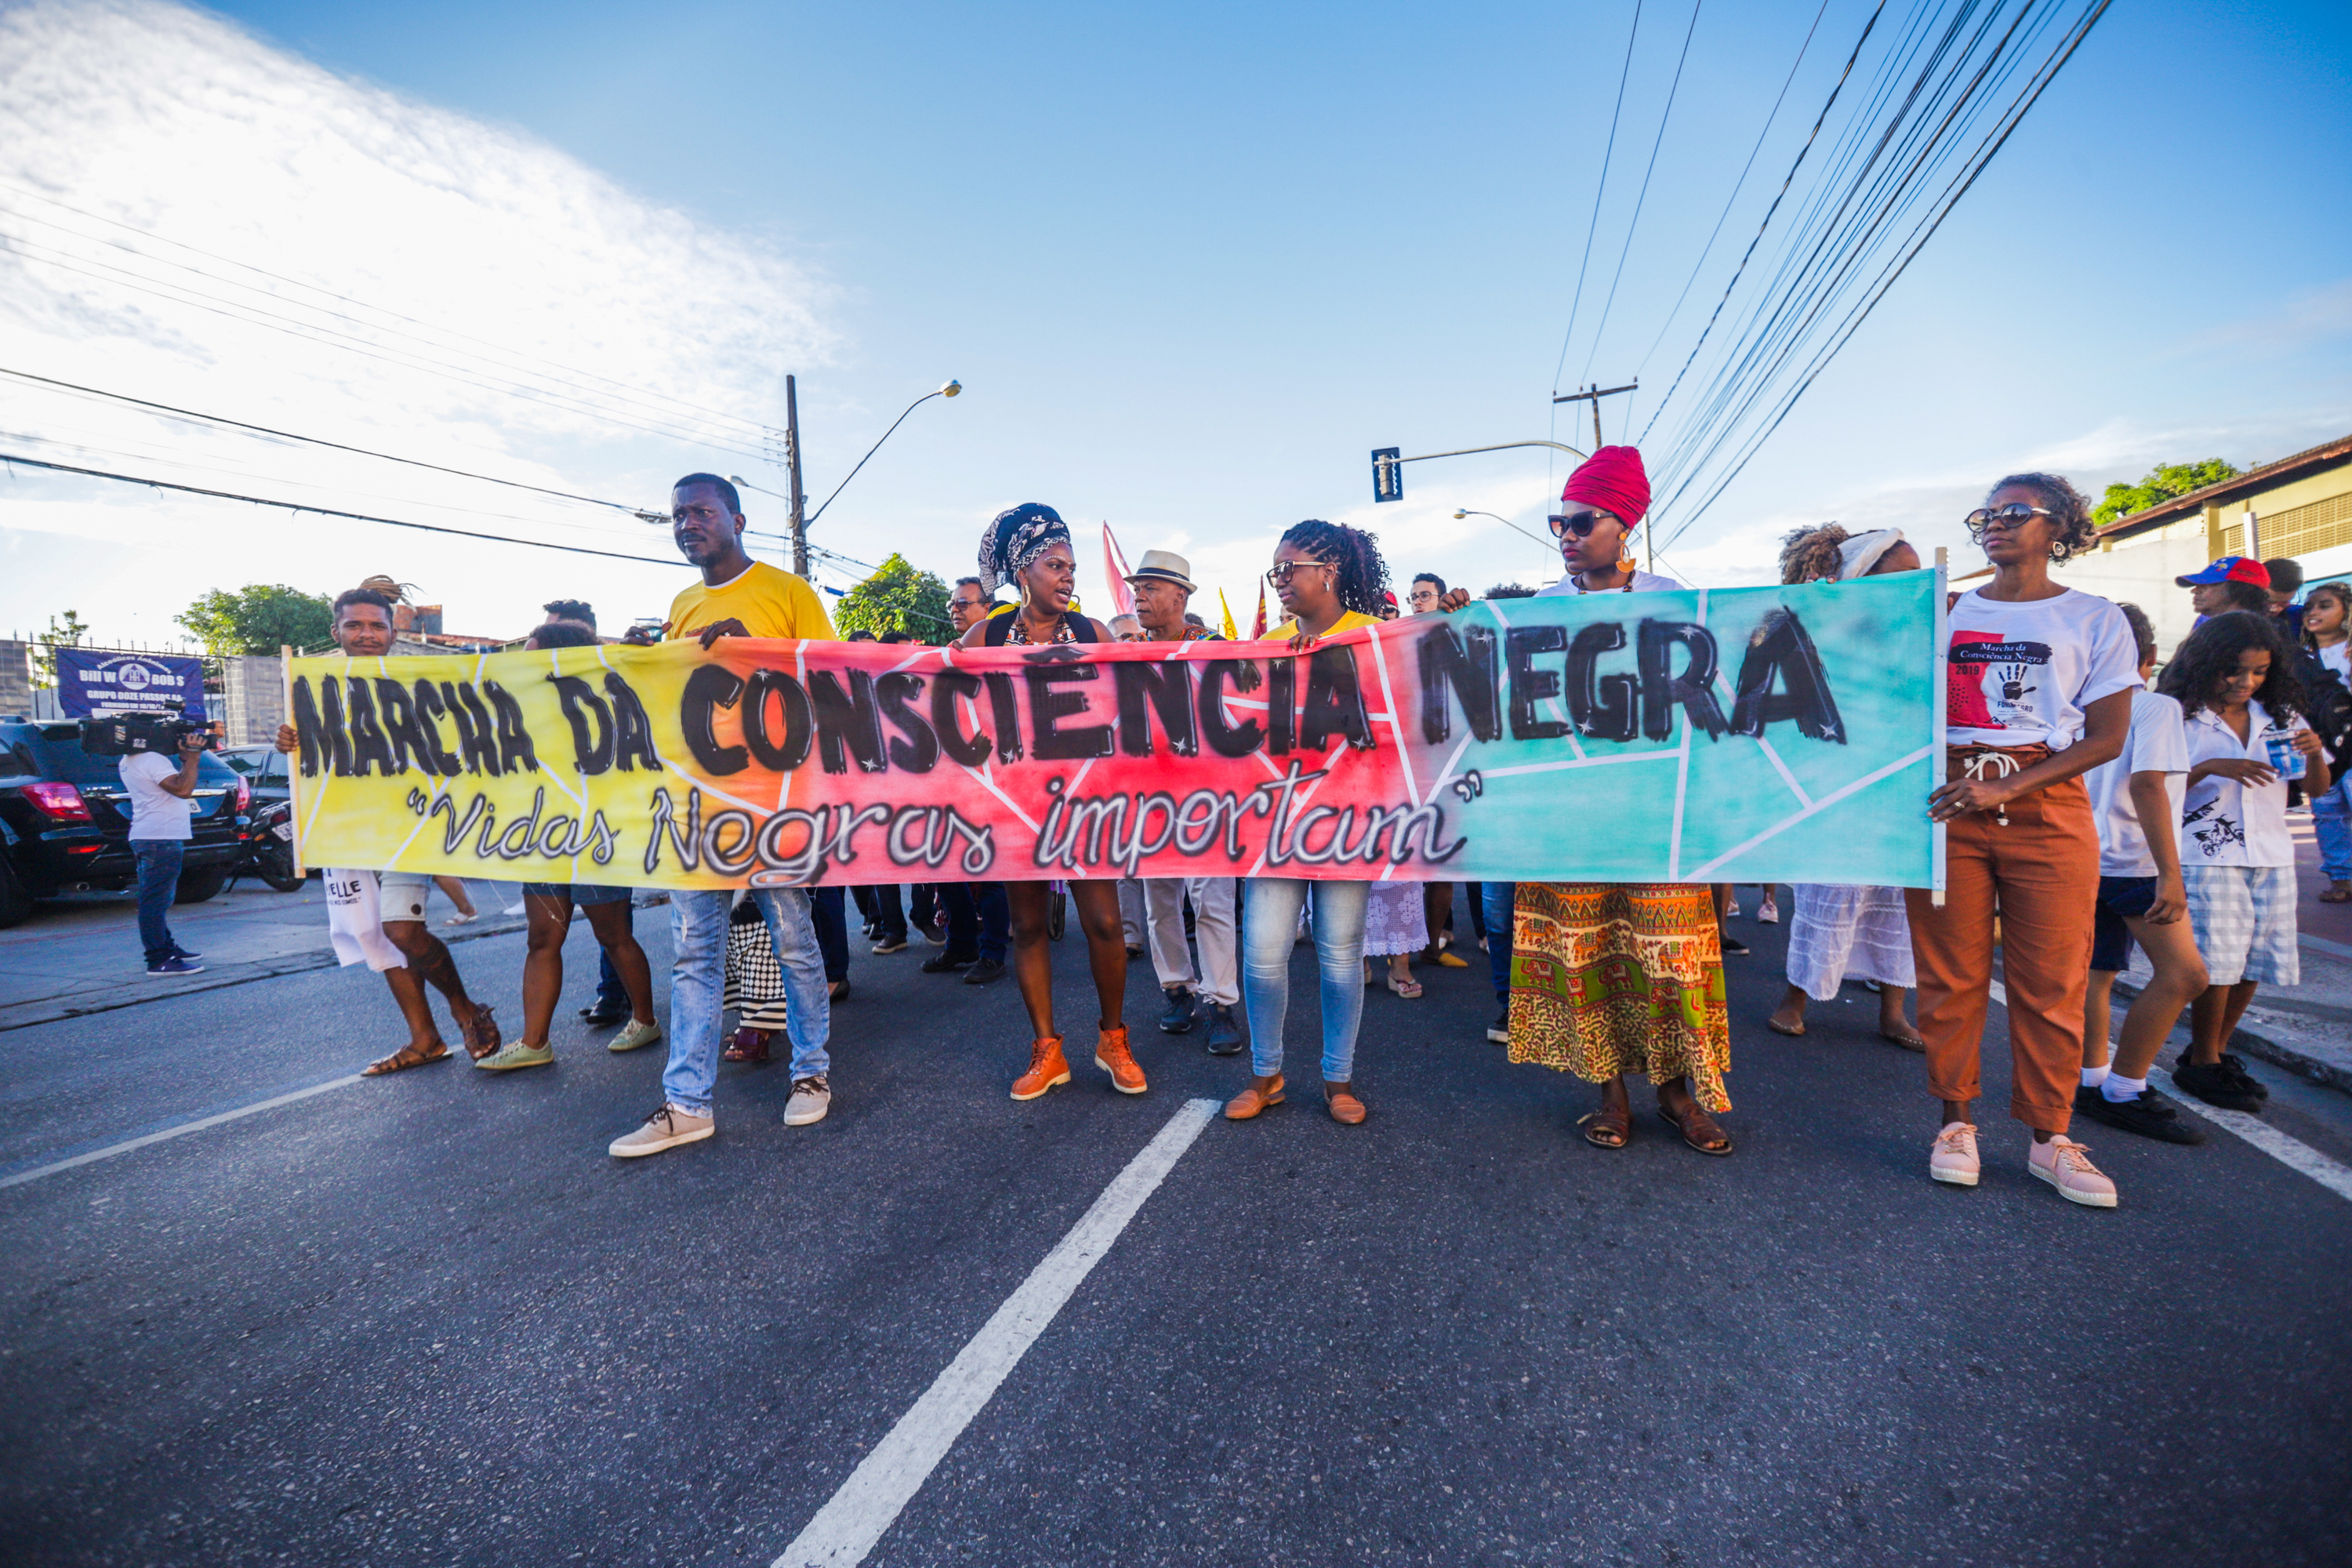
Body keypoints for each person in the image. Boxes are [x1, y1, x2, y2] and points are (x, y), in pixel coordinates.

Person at [1431, 448, 1733, 1154]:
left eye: (1580, 522)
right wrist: (1457, 628)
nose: (1565, 535)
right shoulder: (1541, 612)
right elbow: (1497, 703)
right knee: (1584, 954)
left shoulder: (1675, 601)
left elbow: (1711, 699)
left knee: (1668, 957)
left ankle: (1678, 1094)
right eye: (1557, 524)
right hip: (1566, 820)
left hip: (1656, 817)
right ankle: (1611, 1095)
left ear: (1624, 524)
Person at [1907, 474, 2136, 1208]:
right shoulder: (1944, 612)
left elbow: (2107, 738)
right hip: (1948, 799)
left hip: (2045, 801)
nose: (1994, 524)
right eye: (1987, 514)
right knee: (1951, 973)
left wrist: (2006, 787)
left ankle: (2049, 1139)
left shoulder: (2097, 619)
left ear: (2059, 527)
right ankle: (1956, 1125)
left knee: (2053, 979)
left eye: (2016, 513)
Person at [609, 474, 837, 1156]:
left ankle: (812, 1074)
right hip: (698, 810)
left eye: (701, 511)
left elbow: (830, 677)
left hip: (772, 800)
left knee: (792, 939)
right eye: (678, 515)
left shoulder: (788, 592)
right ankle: (686, 1104)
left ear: (737, 519)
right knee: (694, 954)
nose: (687, 524)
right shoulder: (680, 603)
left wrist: (749, 648)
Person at [957, 503, 1147, 1100]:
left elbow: (1134, 703)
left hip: (1085, 806)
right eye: (1055, 565)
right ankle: (1047, 1048)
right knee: (1029, 925)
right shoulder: (985, 636)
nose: (1068, 576)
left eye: (1072, 566)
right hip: (1016, 808)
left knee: (1105, 922)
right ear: (1022, 570)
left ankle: (1112, 1038)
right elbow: (936, 696)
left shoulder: (1091, 634)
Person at [274, 585, 502, 1075]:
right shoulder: (312, 683)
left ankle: (464, 1009)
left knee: (403, 929)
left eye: (377, 625)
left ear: (394, 631)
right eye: (354, 625)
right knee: (375, 937)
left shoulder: (419, 679)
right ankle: (424, 1040)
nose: (367, 634)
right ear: (335, 631)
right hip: (347, 832)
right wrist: (287, 742)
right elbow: (310, 761)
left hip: (409, 825)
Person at [1223, 520, 1391, 1127]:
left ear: (1330, 571)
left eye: (1289, 568)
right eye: (1275, 570)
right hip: (1276, 823)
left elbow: (1400, 725)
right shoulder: (1267, 643)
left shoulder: (1376, 639)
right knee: (1263, 952)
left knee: (1340, 955)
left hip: (1349, 825)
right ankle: (1266, 1076)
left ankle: (1337, 1079)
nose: (1281, 581)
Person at [2158, 611, 2332, 1113]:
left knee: (2256, 957)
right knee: (2217, 961)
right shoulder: (2177, 716)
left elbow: (2315, 790)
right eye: (2233, 670)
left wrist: (2316, 754)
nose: (2244, 682)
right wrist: (2212, 767)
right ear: (2205, 662)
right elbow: (2152, 787)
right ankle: (2205, 1060)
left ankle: (2213, 1050)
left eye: (2258, 671)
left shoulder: (2278, 714)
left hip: (2271, 853)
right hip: (2206, 853)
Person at [472, 619, 662, 1071]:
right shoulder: (521, 704)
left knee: (613, 935)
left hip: (595, 837)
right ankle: (535, 1042)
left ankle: (645, 1019)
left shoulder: (603, 700)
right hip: (542, 836)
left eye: (533, 653)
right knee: (541, 939)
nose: (525, 660)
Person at [1763, 524, 1926, 1049]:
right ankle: (1796, 998)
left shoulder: (1922, 636)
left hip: (1901, 792)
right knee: (1828, 898)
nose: (1913, 585)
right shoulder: (1823, 634)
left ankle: (1894, 1011)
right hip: (1837, 791)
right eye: (1899, 576)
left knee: (1897, 899)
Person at [2074, 602, 2207, 1145]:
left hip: (2085, 854)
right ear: (2148, 657)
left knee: (2097, 974)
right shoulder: (2154, 707)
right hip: (2135, 860)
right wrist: (2170, 874)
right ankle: (2126, 1089)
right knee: (2186, 975)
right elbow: (2149, 784)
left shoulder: (2075, 708)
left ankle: (2092, 1080)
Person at [1123, 550, 1243, 1054]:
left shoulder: (1217, 651)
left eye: (1151, 588)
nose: (1140, 596)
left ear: (1181, 596)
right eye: (1138, 587)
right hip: (1147, 797)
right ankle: (1176, 989)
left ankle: (1220, 1004)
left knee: (1211, 901)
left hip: (1206, 795)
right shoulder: (1125, 653)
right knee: (1160, 902)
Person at [121, 725, 207, 976]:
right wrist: (193, 756)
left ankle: (167, 949)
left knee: (157, 899)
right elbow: (183, 789)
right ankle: (158, 959)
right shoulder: (152, 759)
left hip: (150, 835)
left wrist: (184, 759)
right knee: (154, 902)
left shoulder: (129, 759)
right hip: (161, 837)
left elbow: (173, 784)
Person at [2302, 581, 2352, 902]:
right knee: (2327, 812)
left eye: (2325, 605)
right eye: (2309, 607)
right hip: (2321, 746)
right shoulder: (2299, 655)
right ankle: (2341, 878)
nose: (2314, 612)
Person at [2178, 557, 2271, 621]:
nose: (2194, 590)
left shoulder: (2249, 632)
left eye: (2210, 583)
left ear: (2239, 590)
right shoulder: (2205, 622)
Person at [2263, 557, 2304, 640]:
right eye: (2270, 602)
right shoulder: (2236, 620)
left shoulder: (2301, 617)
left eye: (2284, 604)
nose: (2276, 610)